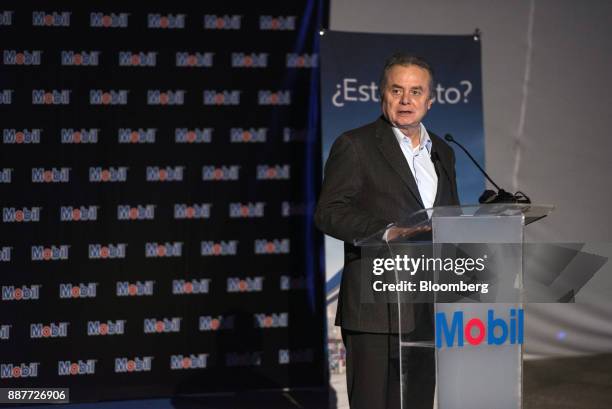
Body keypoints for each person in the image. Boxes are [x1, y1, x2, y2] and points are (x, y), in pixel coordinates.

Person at [315, 53, 459, 409]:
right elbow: (328, 213)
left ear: (430, 100)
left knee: (418, 400)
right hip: (375, 306)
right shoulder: (355, 145)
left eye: (415, 91)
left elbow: (451, 215)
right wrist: (387, 231)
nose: (406, 100)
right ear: (382, 95)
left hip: (427, 302)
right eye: (397, 90)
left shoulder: (442, 151)